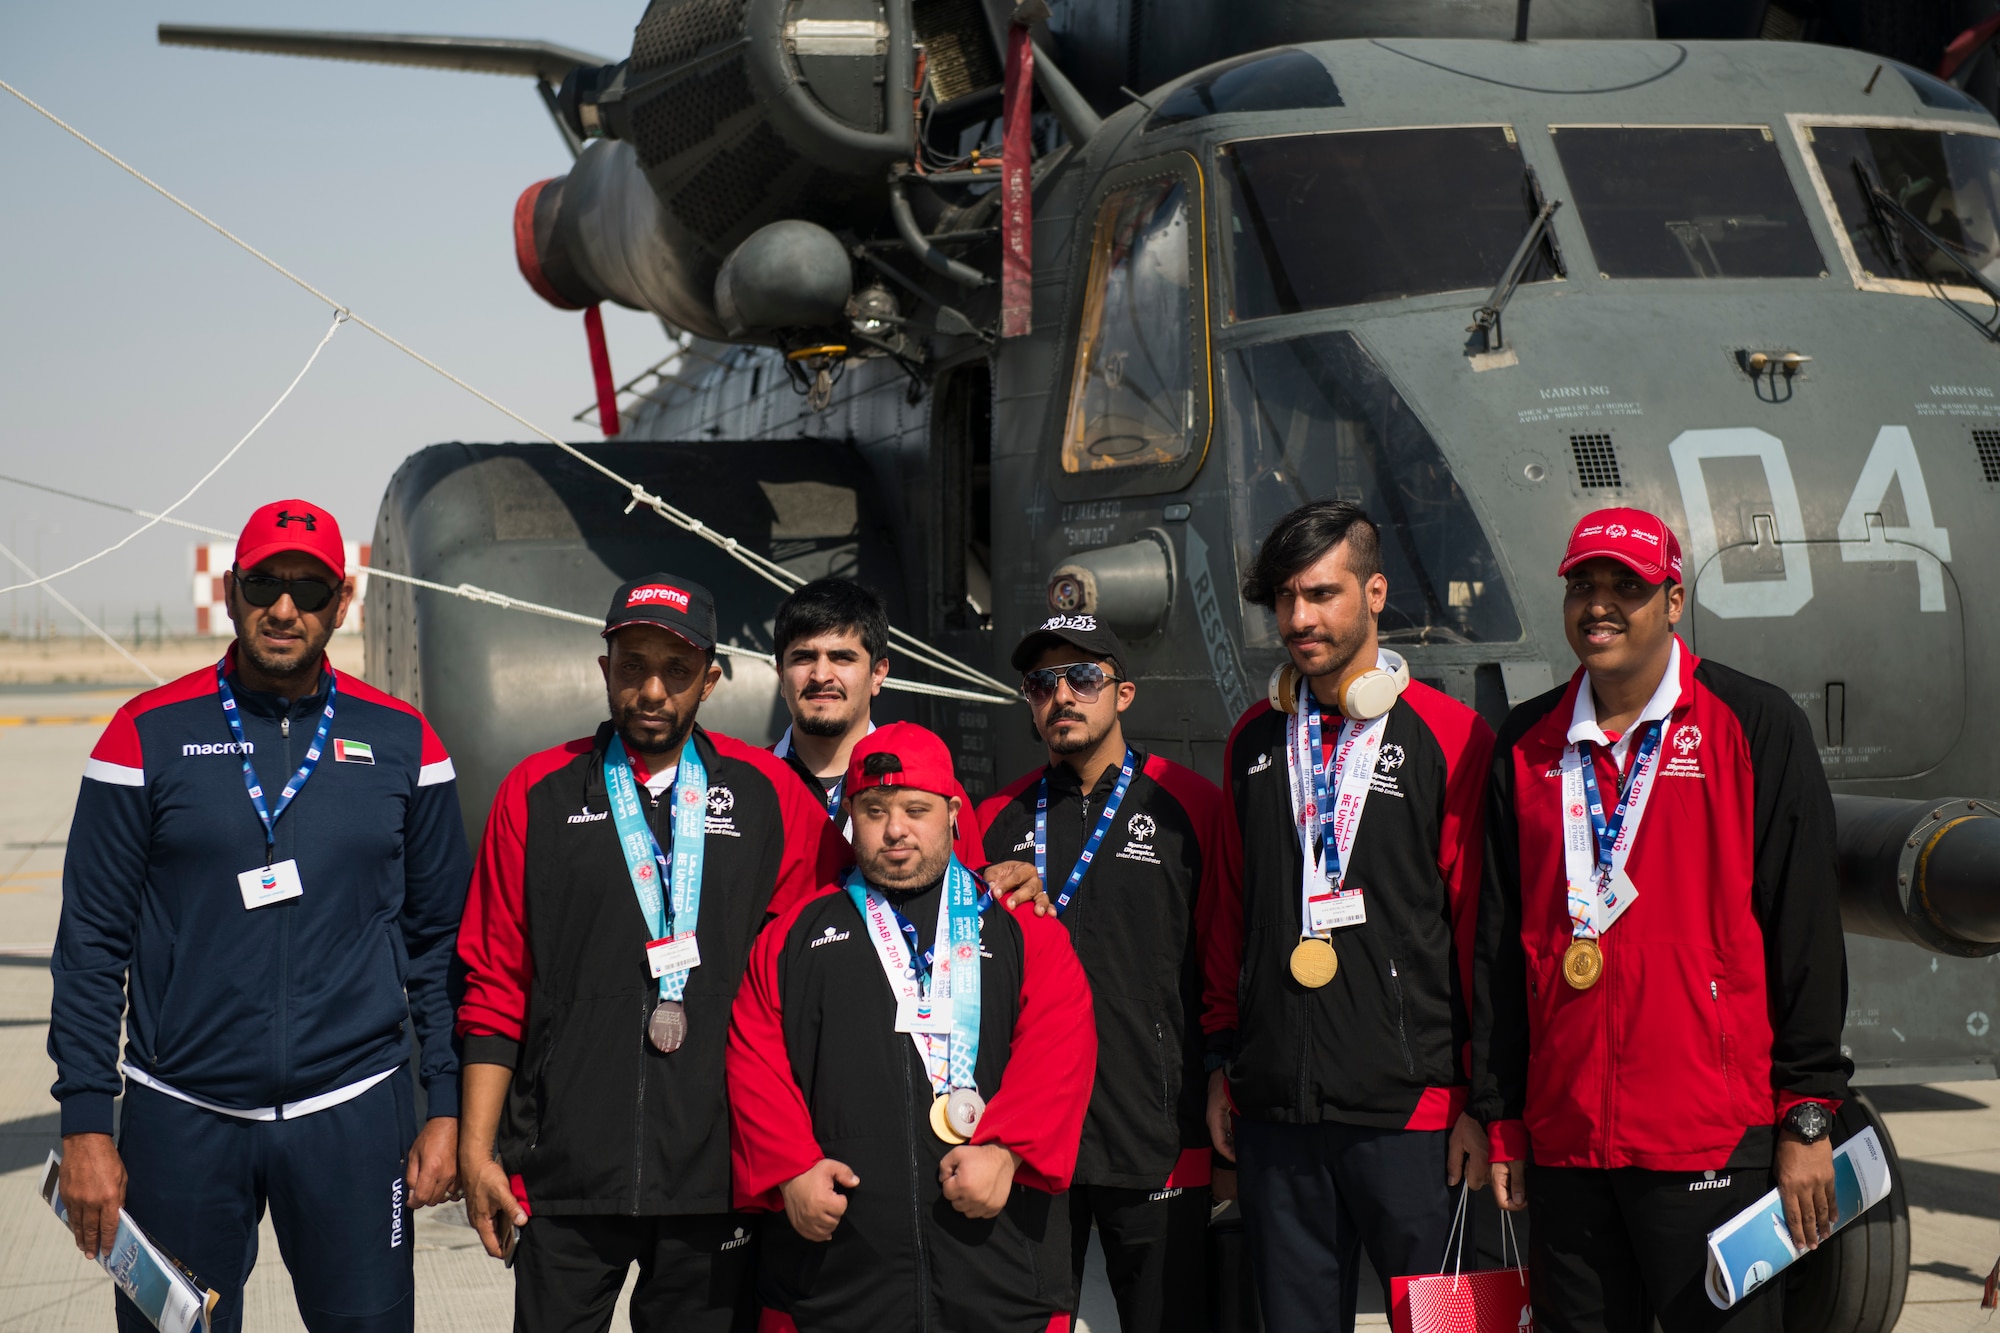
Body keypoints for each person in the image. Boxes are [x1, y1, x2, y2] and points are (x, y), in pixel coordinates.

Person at [50, 498, 470, 1333]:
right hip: (181, 1117)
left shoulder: (404, 742)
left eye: (308, 589)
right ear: (233, 594)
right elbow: (91, 945)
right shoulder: (144, 734)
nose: (285, 607)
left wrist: (445, 1104)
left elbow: (439, 946)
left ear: (340, 603)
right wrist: (88, 1126)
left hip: (351, 1114)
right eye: (264, 584)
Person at [1470, 509, 1849, 1332]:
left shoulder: (1752, 724)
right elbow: (1499, 947)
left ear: (1673, 601)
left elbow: (1806, 934)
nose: (1599, 604)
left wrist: (1809, 1113)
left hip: (1711, 1139)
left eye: (1626, 587)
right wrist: (1501, 1114)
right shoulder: (1526, 744)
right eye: (1583, 584)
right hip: (1568, 1140)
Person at [454, 573, 849, 1333]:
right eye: (633, 666)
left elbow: (850, 935)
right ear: (605, 670)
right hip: (563, 1174)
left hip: (718, 1175)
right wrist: (480, 1155)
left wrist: (986, 878)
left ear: (711, 678)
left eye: (676, 670)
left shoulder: (771, 796)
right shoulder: (533, 792)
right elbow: (495, 982)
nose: (653, 690)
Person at [1200, 500, 1495, 1333]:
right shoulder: (1254, 741)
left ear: (1374, 592)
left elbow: (1480, 934)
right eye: (1286, 599)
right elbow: (1230, 913)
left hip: (1414, 1119)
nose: (1299, 618)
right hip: (1275, 1118)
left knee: (1444, 1329)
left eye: (1322, 594)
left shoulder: (1451, 737)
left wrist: (1480, 1098)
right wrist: (1226, 1060)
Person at [727, 723, 1097, 1333]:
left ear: (953, 812)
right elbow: (753, 1058)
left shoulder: (1021, 929)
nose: (895, 829)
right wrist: (790, 1167)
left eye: (915, 809)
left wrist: (1007, 1150)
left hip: (1003, 1274)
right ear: (851, 816)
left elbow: (1062, 1045)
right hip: (836, 1282)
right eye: (874, 810)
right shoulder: (794, 937)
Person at [977, 614, 1221, 1332]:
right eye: (1042, 683)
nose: (1063, 696)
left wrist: (1220, 1077)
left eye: (1083, 677)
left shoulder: (1191, 806)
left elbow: (1221, 966)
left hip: (1156, 1134)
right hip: (1028, 1138)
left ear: (1125, 693)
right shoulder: (995, 820)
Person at [770, 576, 988, 866]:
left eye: (842, 658)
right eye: (803, 658)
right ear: (781, 675)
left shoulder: (936, 792)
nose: (821, 675)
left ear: (878, 674)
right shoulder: (747, 785)